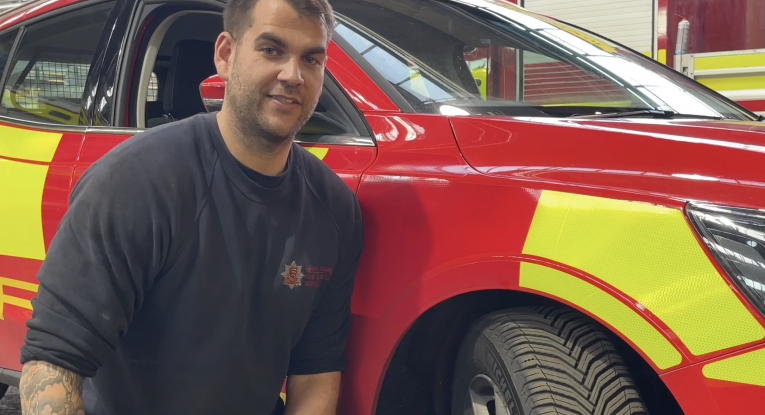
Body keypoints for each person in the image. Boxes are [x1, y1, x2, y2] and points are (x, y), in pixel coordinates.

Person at [17, 0, 362, 413]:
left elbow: (316, 371)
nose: (293, 74)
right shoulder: (135, 182)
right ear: (226, 55)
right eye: (272, 50)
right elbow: (52, 366)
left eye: (311, 58)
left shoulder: (333, 208)